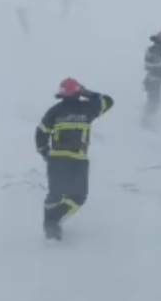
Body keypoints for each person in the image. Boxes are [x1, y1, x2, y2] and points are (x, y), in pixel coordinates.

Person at [34, 78, 114, 241]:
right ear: (78, 92)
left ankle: (49, 227)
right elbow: (108, 101)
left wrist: (44, 152)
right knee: (78, 196)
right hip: (78, 160)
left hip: (56, 159)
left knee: (54, 195)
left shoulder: (54, 111)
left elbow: (41, 133)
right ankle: (54, 221)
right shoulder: (89, 107)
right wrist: (88, 93)